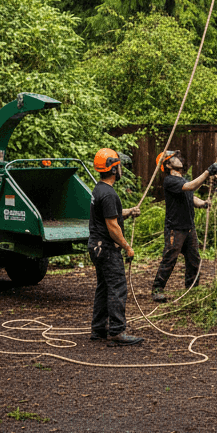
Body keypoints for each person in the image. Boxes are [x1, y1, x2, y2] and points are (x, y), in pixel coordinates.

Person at [88, 147, 143, 346]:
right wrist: (127, 247)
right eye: (119, 166)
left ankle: (99, 329)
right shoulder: (109, 194)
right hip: (107, 249)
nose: (121, 169)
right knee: (118, 288)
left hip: (96, 247)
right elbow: (112, 226)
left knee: (103, 288)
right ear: (113, 169)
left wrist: (128, 212)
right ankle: (117, 331)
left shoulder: (99, 189)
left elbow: (109, 215)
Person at [151, 150, 217, 302]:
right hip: (175, 229)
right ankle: (157, 288)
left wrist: (202, 203)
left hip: (189, 228)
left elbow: (190, 195)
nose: (179, 159)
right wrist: (207, 173)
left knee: (194, 260)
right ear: (168, 165)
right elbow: (190, 187)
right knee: (169, 259)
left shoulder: (183, 179)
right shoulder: (170, 181)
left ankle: (192, 290)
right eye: (174, 158)